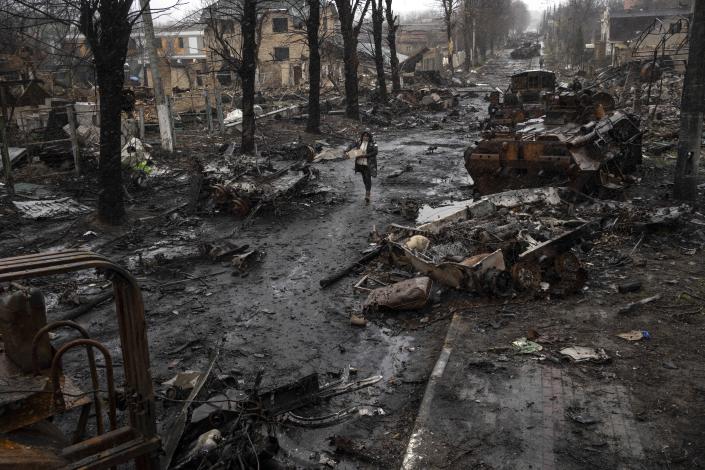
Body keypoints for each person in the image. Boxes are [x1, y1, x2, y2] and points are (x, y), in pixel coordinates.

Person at [345, 130, 378, 205]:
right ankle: (367, 190)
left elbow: (375, 152)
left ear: (369, 137)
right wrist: (347, 151)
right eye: (364, 136)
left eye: (367, 136)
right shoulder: (359, 142)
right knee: (364, 178)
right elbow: (351, 145)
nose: (365, 137)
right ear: (362, 136)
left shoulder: (373, 143)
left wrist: (365, 155)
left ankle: (368, 194)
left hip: (368, 163)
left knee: (368, 177)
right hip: (360, 163)